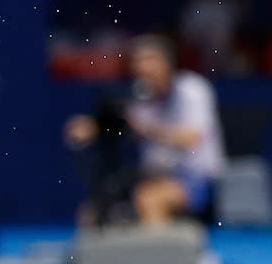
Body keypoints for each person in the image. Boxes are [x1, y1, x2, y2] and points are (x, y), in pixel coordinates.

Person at [64, 35, 225, 225]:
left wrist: (146, 129)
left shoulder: (192, 90)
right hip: (151, 177)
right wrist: (91, 128)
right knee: (93, 210)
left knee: (149, 199)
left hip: (197, 180)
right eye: (137, 62)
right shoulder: (140, 98)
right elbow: (119, 126)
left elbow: (190, 138)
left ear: (166, 63)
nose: (142, 68)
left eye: (149, 60)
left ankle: (163, 255)